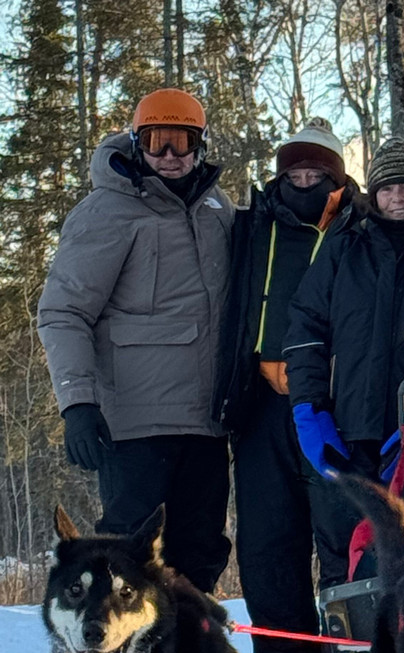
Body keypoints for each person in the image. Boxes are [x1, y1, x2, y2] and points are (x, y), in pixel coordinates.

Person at [38, 88, 234, 593]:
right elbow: (63, 311)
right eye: (155, 142)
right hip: (136, 422)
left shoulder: (218, 209)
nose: (169, 156)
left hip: (208, 420)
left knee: (200, 550)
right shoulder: (108, 210)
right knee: (127, 555)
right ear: (136, 143)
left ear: (200, 145)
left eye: (181, 142)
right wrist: (77, 402)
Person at [215, 119, 364, 653]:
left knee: (340, 533)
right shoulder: (249, 228)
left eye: (316, 171)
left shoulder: (358, 225)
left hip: (331, 401)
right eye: (295, 171)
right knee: (267, 537)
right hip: (259, 404)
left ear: (336, 175)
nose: (304, 179)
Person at [283, 136, 404, 578]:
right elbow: (305, 328)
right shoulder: (344, 245)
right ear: (373, 194)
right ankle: (347, 648)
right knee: (344, 563)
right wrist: (311, 410)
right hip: (348, 433)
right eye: (388, 188)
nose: (397, 198)